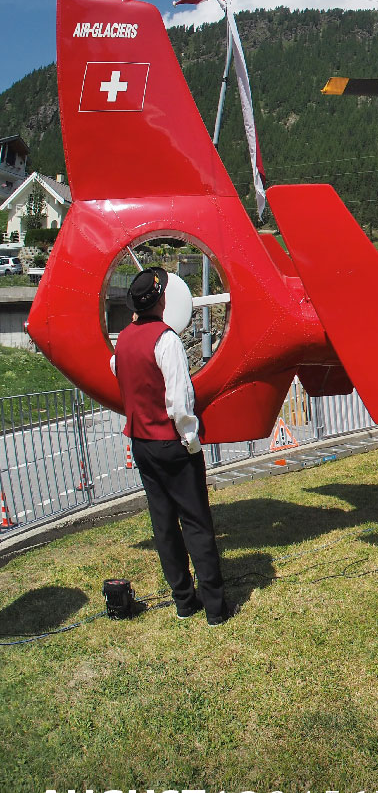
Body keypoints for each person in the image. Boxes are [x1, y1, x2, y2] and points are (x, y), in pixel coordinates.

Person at [113, 267, 231, 626]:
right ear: (162, 301)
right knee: (195, 521)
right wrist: (191, 440)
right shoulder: (166, 340)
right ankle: (215, 608)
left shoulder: (124, 340)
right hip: (170, 442)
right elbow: (180, 402)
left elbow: (116, 366)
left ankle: (183, 600)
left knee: (163, 523)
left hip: (141, 440)